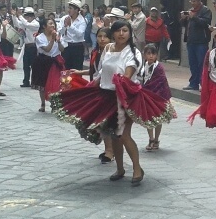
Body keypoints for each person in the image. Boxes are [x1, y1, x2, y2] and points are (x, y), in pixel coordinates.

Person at [50, 20, 175, 184]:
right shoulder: (108, 49)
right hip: (106, 95)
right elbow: (101, 71)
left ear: (130, 33)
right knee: (113, 135)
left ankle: (137, 169)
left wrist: (123, 80)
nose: (121, 34)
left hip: (125, 96)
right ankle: (120, 168)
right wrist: (89, 86)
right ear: (113, 33)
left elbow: (130, 72)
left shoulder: (134, 52)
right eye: (118, 31)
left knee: (123, 134)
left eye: (125, 30)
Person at [69, 27, 115, 164]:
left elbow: (103, 74)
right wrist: (79, 72)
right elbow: (94, 71)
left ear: (110, 39)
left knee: (106, 121)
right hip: (96, 88)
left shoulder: (111, 54)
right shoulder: (95, 52)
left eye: (105, 37)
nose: (102, 39)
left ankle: (110, 151)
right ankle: (109, 149)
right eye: (99, 36)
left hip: (106, 89)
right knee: (100, 121)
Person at [188, 25, 216, 151]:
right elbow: (206, 71)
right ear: (215, 39)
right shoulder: (211, 53)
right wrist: (205, 87)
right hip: (215, 88)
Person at [139, 44, 172, 151]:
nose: (151, 56)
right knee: (148, 117)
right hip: (147, 96)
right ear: (144, 55)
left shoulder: (159, 68)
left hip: (158, 97)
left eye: (153, 54)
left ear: (156, 55)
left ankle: (156, 139)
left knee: (158, 119)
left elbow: (161, 82)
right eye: (148, 53)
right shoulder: (143, 67)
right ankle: (151, 138)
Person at [32, 18, 65, 112]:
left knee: (55, 83)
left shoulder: (58, 35)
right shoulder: (39, 37)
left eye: (53, 24)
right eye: (50, 24)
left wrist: (58, 41)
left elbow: (62, 50)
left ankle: (54, 104)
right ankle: (43, 104)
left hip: (55, 62)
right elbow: (47, 49)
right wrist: (52, 40)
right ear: (44, 26)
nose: (53, 25)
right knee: (43, 84)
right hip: (43, 61)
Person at [180, 0, 212, 91]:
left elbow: (205, 23)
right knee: (192, 63)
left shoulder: (206, 10)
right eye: (191, 1)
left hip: (201, 42)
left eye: (194, 1)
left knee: (201, 64)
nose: (192, 3)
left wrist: (194, 17)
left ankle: (203, 84)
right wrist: (184, 19)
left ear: (199, 1)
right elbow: (184, 25)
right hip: (191, 41)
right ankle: (193, 83)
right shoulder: (190, 11)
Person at [12, 7, 39, 88]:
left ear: (32, 16)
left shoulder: (35, 24)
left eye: (27, 16)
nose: (26, 18)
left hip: (34, 47)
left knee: (34, 66)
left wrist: (20, 16)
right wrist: (14, 16)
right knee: (26, 66)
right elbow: (17, 24)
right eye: (25, 16)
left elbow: (27, 24)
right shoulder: (25, 23)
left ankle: (35, 82)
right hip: (26, 47)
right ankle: (26, 81)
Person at [61, 0, 88, 71]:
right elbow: (60, 33)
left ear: (76, 10)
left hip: (77, 47)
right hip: (66, 46)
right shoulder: (64, 18)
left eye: (70, 8)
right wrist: (64, 26)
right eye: (68, 8)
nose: (68, 10)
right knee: (65, 69)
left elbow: (80, 34)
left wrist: (70, 26)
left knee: (77, 69)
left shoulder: (83, 20)